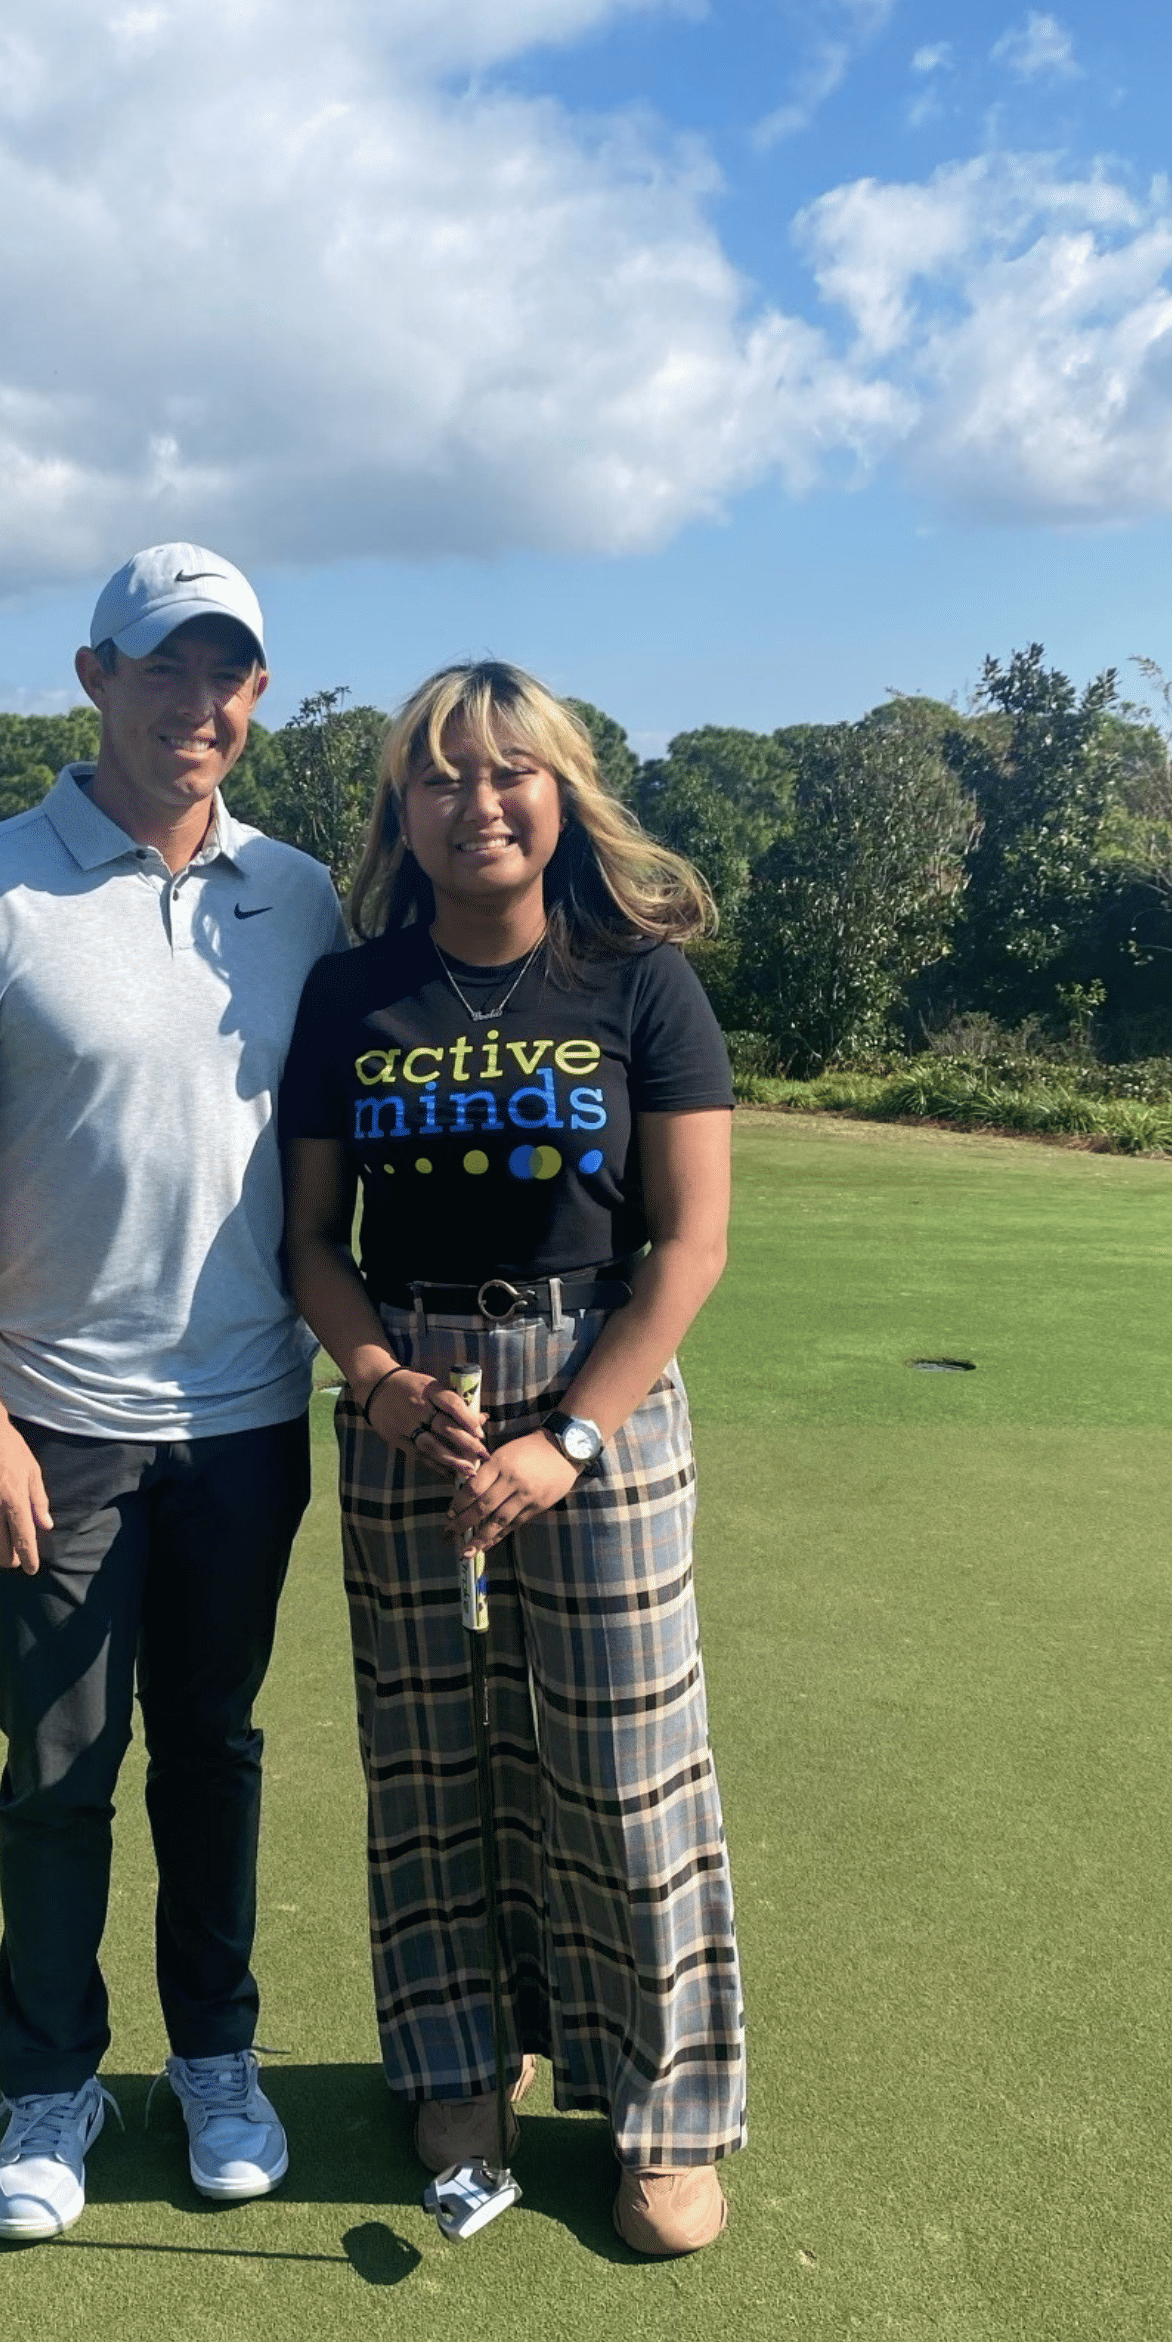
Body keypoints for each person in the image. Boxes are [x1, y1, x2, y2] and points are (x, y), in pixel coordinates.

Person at [0, 542, 347, 2240]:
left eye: (228, 672)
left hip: (246, 1414)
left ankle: (213, 2057)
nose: (196, 702)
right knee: (60, 1770)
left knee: (212, 1749)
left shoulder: (301, 898)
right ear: (94, 676)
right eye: (165, 667)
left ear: (258, 696)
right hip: (54, 1417)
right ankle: (51, 2082)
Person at [280, 660, 746, 2259]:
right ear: (400, 814)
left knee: (626, 1766)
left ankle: (664, 2112)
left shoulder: (638, 979)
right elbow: (308, 1244)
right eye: (437, 780)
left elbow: (688, 1249)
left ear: (563, 794)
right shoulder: (352, 994)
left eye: (507, 774)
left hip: (597, 1388)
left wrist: (570, 1435)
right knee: (428, 1756)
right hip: (412, 1391)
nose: (474, 804)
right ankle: (458, 2064)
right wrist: (382, 1380)